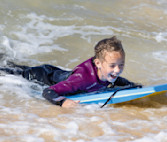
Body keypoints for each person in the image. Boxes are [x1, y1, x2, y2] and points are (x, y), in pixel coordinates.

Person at [0, 36, 139, 108]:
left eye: (121, 65)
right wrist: (62, 102)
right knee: (8, 72)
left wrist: (134, 86)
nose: (118, 70)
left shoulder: (107, 74)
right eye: (113, 65)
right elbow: (48, 92)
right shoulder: (82, 80)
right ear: (98, 63)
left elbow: (118, 80)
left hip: (56, 73)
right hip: (40, 76)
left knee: (13, 66)